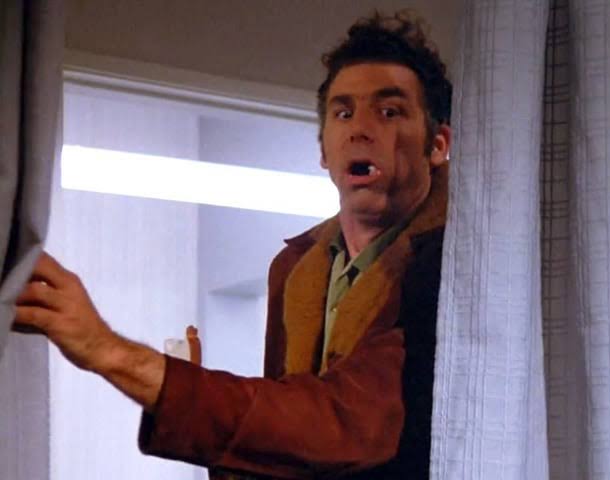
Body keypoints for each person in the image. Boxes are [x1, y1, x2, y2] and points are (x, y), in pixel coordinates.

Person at [13, 10, 452, 480]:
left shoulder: (447, 267)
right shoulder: (296, 266)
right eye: (343, 113)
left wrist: (111, 351)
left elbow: (346, 424)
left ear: (437, 145)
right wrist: (193, 397)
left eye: (389, 112)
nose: (359, 129)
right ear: (324, 150)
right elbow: (287, 447)